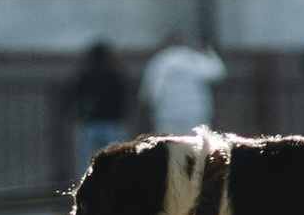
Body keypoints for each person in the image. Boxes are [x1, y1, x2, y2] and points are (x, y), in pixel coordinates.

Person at [138, 27, 227, 133]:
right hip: (195, 112)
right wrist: (209, 52)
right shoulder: (193, 58)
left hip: (168, 113)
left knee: (170, 146)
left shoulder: (160, 61)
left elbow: (152, 91)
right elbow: (217, 72)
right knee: (195, 146)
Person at [67, 39, 134, 171]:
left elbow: (74, 95)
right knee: (117, 161)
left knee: (88, 162)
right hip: (114, 122)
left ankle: (89, 188)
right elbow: (124, 96)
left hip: (90, 122)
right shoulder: (116, 73)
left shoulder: (84, 73)